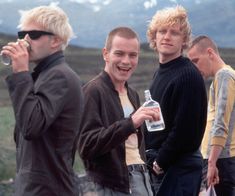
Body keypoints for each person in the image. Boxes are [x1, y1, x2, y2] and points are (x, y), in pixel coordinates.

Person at [1, 5, 83, 196]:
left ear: (55, 41)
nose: (25, 41)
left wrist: (21, 73)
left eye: (34, 34)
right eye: (22, 34)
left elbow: (30, 126)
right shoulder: (44, 74)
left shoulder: (59, 76)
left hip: (48, 189)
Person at [77, 26, 158, 195]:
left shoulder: (133, 94)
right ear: (105, 54)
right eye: (119, 54)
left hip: (142, 176)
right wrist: (131, 123)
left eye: (133, 55)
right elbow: (86, 146)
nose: (126, 61)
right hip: (115, 184)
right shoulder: (92, 91)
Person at [145, 5, 208, 196]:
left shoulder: (187, 75)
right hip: (165, 166)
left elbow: (185, 130)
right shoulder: (162, 72)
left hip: (177, 168)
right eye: (162, 31)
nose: (167, 36)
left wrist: (160, 161)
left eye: (174, 33)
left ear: (184, 40)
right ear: (154, 37)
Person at [188, 35, 235, 196]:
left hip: (221, 160)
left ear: (210, 53)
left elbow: (221, 122)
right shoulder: (221, 77)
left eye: (195, 61)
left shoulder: (224, 75)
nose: (194, 67)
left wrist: (212, 162)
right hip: (220, 160)